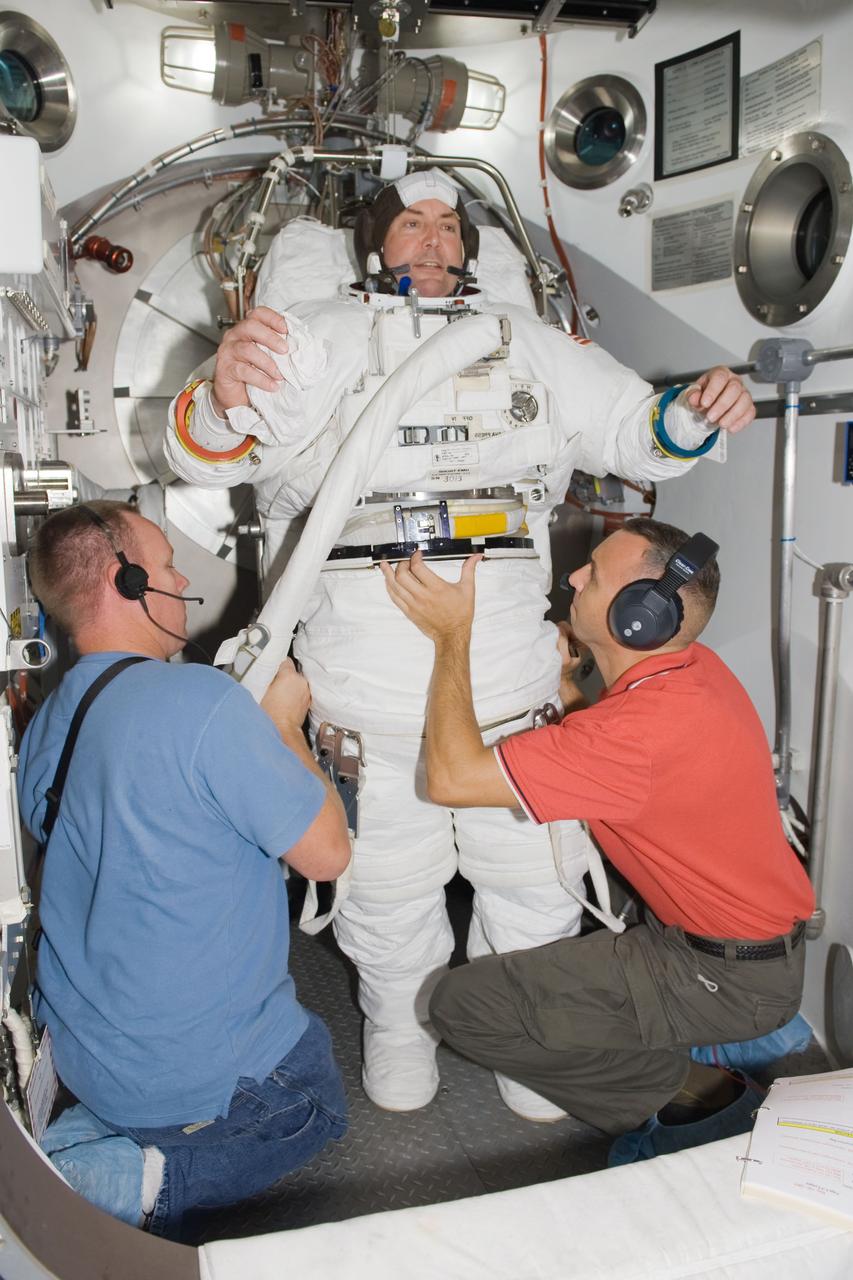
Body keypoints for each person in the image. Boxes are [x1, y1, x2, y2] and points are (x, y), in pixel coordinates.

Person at [164, 167, 757, 1119]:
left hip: (509, 684)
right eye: (412, 224)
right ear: (375, 247)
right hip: (368, 684)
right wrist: (222, 391)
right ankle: (401, 1028)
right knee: (387, 891)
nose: (434, 238)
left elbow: (631, 430)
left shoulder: (531, 346)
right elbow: (210, 447)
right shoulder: (319, 340)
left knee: (533, 885)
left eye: (448, 225)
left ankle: (524, 1035)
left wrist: (691, 415)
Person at [380, 517, 815, 1159]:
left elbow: (450, 778)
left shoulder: (632, 737)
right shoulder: (691, 671)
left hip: (722, 975)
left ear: (639, 616)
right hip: (746, 947)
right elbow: (625, 753)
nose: (573, 577)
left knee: (462, 1006)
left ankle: (698, 1102)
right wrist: (564, 688)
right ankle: (693, 1042)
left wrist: (452, 636)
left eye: (594, 573)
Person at [19, 500, 351, 1241]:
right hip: (184, 1076)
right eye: (166, 565)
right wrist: (283, 727)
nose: (178, 580)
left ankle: (84, 1139)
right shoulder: (203, 703)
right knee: (315, 1097)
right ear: (127, 579)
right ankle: (132, 1179)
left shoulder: (49, 719)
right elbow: (327, 853)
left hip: (88, 1059)